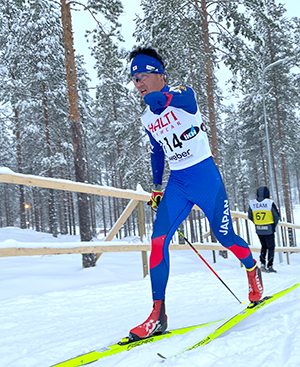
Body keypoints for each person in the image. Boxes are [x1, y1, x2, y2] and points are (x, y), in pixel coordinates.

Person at [128, 46, 263, 341]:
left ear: (159, 75)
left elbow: (174, 99)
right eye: (133, 80)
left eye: (141, 76)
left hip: (205, 177)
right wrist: (156, 187)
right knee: (158, 240)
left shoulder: (183, 94)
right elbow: (156, 151)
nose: (137, 84)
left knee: (224, 237)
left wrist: (159, 99)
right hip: (177, 183)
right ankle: (157, 314)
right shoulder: (146, 119)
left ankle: (252, 268)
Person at [248, 186, 280, 273]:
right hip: (269, 228)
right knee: (271, 247)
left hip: (259, 228)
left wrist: (257, 223)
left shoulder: (252, 203)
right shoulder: (269, 202)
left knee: (263, 246)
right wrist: (273, 225)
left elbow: (250, 216)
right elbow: (276, 216)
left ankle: (262, 263)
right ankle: (270, 265)